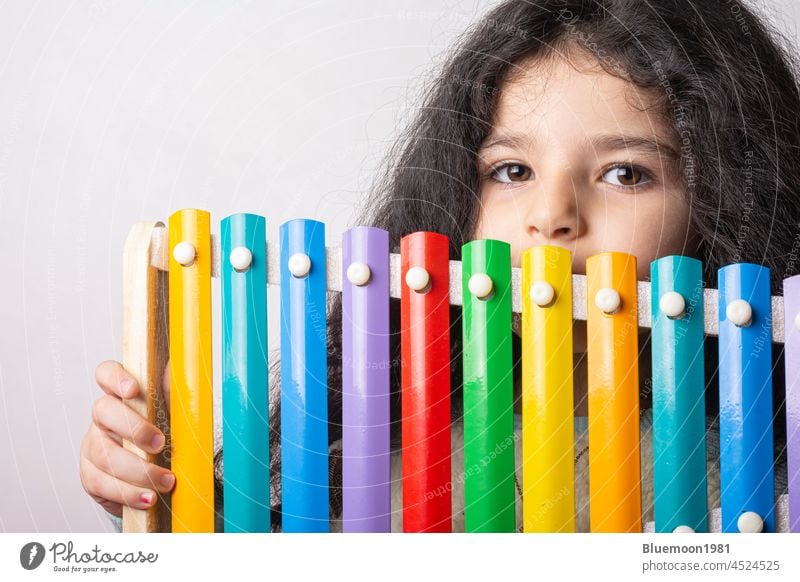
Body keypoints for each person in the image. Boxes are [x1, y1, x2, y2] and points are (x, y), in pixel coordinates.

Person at [81, 0, 800, 532]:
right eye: (511, 168)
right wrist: (159, 500)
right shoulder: (365, 453)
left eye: (626, 174)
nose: (552, 216)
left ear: (723, 201)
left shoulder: (755, 483)